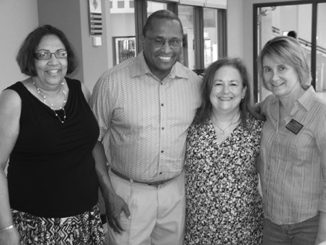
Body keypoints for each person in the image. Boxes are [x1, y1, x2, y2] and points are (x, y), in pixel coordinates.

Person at [91, 9, 202, 245]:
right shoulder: (112, 82)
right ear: (143, 39)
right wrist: (108, 194)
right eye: (158, 40)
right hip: (128, 193)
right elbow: (92, 141)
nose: (166, 49)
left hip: (175, 193)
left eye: (174, 41)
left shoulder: (195, 85)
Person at [0, 24, 117, 245]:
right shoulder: (13, 99)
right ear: (31, 59)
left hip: (85, 220)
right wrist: (5, 228)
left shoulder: (80, 90)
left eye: (60, 54)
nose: (53, 62)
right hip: (37, 225)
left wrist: (106, 189)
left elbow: (92, 144)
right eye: (43, 55)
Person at [184, 58, 264, 244]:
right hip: (198, 231)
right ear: (208, 89)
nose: (225, 91)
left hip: (245, 232)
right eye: (218, 84)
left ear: (243, 91)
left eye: (233, 84)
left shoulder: (258, 129)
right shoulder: (190, 125)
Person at [257, 36, 326, 245]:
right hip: (271, 222)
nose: (274, 77)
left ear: (298, 67)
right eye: (268, 69)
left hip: (308, 225)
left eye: (282, 68)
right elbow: (238, 116)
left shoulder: (320, 113)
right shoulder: (268, 105)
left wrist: (322, 237)